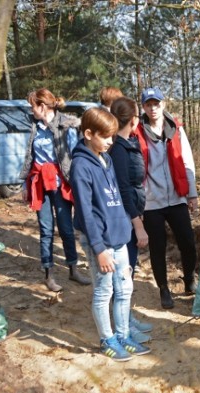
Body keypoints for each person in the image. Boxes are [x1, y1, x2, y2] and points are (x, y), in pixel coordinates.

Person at [70, 106, 151, 361]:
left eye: (113, 136)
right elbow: (85, 211)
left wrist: (127, 229)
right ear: (88, 134)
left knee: (124, 289)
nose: (110, 142)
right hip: (101, 243)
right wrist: (99, 248)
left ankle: (124, 335)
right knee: (104, 292)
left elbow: (116, 198)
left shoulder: (107, 159)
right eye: (105, 137)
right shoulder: (81, 165)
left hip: (119, 238)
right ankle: (107, 339)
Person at [20, 88, 91, 291]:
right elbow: (29, 157)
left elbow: (74, 158)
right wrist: (25, 183)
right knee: (45, 229)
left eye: (32, 106)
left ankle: (73, 269)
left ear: (42, 107)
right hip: (40, 184)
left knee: (66, 228)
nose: (31, 110)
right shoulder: (34, 127)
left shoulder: (66, 126)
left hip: (60, 185)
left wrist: (79, 185)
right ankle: (48, 273)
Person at [134, 87, 198, 309]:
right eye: (148, 104)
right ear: (143, 107)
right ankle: (163, 289)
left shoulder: (176, 129)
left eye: (156, 103)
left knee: (188, 242)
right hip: (151, 200)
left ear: (164, 104)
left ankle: (189, 278)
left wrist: (192, 193)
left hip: (177, 196)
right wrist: (138, 202)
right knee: (157, 247)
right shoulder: (137, 132)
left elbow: (187, 162)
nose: (153, 108)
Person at [109, 96, 154, 342]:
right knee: (123, 276)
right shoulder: (119, 149)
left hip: (133, 213)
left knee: (129, 274)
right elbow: (124, 189)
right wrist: (138, 225)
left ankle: (126, 318)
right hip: (126, 220)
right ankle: (122, 327)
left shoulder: (127, 143)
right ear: (134, 119)